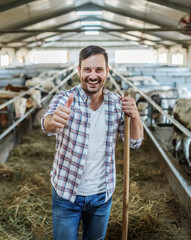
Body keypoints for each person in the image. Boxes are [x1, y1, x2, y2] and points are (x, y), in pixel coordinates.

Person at [41, 45, 144, 240]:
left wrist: (135, 115)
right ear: (78, 70)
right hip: (67, 192)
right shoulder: (64, 99)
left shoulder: (117, 103)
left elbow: (134, 143)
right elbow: (47, 125)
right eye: (87, 69)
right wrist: (53, 120)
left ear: (107, 71)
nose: (93, 75)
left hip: (101, 194)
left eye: (98, 70)